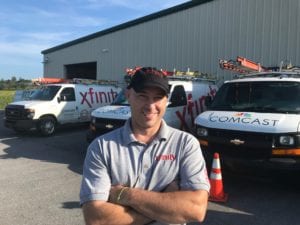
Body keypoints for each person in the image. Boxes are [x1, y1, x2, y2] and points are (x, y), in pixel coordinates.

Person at [80, 67, 210, 225]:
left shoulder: (186, 144)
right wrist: (166, 205)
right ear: (128, 96)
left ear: (166, 100)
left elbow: (195, 210)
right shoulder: (101, 147)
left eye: (158, 97)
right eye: (142, 96)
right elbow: (96, 219)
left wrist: (125, 195)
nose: (150, 105)